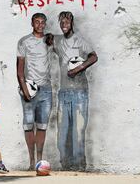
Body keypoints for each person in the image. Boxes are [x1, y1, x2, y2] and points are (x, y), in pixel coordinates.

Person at [46, 11, 98, 171]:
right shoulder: (58, 40)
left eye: (66, 22)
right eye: (61, 23)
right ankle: (65, 164)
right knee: (62, 132)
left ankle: (79, 165)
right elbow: (46, 40)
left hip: (80, 92)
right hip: (64, 92)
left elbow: (94, 57)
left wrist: (78, 68)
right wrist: (47, 37)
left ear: (72, 22)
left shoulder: (80, 41)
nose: (64, 25)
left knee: (78, 130)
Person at [16, 13, 52, 170]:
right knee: (29, 125)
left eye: (42, 22)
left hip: (46, 90)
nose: (40, 25)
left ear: (45, 24)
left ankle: (39, 160)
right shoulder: (24, 41)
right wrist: (25, 91)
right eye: (37, 22)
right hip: (30, 89)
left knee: (42, 125)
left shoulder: (50, 41)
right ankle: (31, 162)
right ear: (32, 23)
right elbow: (19, 70)